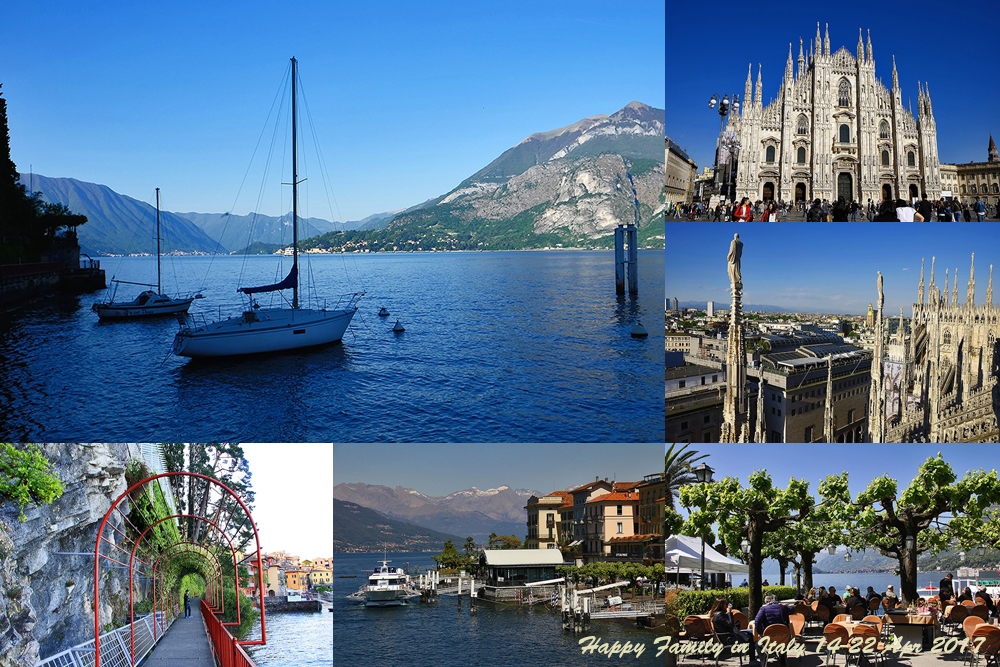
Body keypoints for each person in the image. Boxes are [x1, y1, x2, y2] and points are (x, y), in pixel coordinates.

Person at [710, 596, 756, 661]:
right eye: (726, 604)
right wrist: (729, 612)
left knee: (751, 631)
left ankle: (753, 657)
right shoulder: (719, 615)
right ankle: (752, 659)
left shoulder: (716, 614)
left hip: (728, 636)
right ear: (721, 605)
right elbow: (730, 624)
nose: (727, 605)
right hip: (729, 638)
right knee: (752, 636)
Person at [754, 594, 790, 665]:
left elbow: (757, 621)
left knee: (758, 645)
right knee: (782, 643)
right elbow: (790, 615)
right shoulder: (782, 607)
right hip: (783, 638)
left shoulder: (763, 609)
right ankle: (783, 663)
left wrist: (760, 633)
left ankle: (764, 664)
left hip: (769, 639)